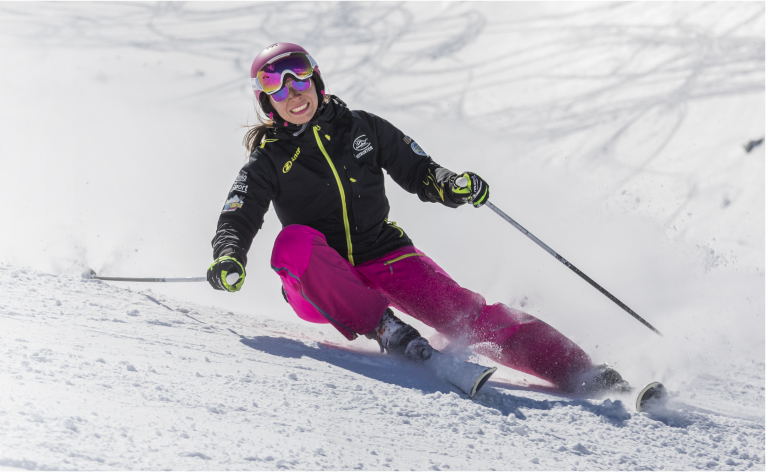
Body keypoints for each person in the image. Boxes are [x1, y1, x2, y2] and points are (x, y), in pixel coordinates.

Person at [207, 42, 627, 395]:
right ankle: (385, 328)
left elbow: (420, 171)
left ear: (316, 80)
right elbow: (238, 215)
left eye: (299, 79)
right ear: (267, 102)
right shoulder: (268, 159)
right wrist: (228, 256)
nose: (292, 93)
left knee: (469, 317)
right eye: (276, 86)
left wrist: (452, 184)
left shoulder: (363, 128)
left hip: (385, 255)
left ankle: (578, 370)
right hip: (320, 284)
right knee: (292, 242)